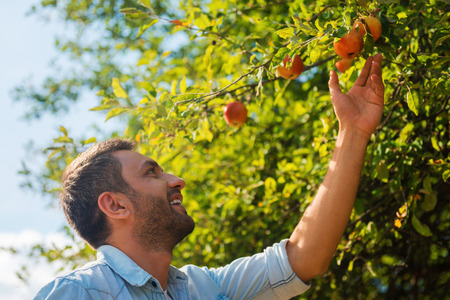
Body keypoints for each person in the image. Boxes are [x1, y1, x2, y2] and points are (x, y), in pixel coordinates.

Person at [34, 54, 384, 300]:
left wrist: (352, 132)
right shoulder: (76, 294)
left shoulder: (205, 288)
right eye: (151, 173)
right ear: (115, 205)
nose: (176, 180)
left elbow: (305, 258)